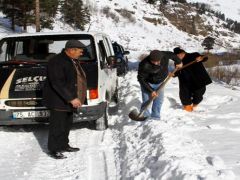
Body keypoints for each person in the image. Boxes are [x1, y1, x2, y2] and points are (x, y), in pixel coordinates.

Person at [43, 40, 87, 159]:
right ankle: (54, 149)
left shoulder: (71, 60)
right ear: (71, 50)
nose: (81, 53)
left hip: (67, 100)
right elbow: (58, 83)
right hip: (59, 100)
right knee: (57, 126)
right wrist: (71, 98)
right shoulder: (57, 61)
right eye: (80, 51)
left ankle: (63, 145)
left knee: (66, 124)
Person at [137, 50, 183, 119]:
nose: (155, 63)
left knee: (159, 100)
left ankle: (155, 116)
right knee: (147, 101)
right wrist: (151, 90)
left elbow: (172, 55)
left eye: (157, 61)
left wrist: (178, 62)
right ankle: (144, 116)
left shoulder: (164, 55)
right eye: (153, 61)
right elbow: (141, 79)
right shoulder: (144, 65)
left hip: (160, 82)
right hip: (148, 83)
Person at [173, 47, 212, 112]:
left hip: (197, 79)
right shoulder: (177, 62)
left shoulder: (193, 55)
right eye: (176, 55)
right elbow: (177, 72)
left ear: (183, 52)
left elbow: (205, 58)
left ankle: (195, 104)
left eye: (179, 54)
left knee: (199, 93)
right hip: (185, 81)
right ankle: (187, 108)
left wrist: (201, 58)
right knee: (184, 95)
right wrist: (174, 74)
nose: (178, 56)